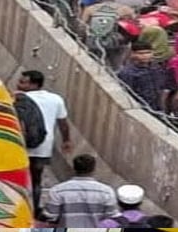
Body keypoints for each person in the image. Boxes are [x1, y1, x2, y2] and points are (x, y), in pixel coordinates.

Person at [15, 70, 69, 217]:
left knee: (17, 179)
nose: (18, 84)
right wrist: (66, 140)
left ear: (34, 84)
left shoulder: (18, 98)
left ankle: (18, 208)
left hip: (19, 144)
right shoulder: (56, 99)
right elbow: (63, 123)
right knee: (36, 178)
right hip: (43, 145)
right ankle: (35, 209)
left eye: (22, 82)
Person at [41, 154, 118, 227]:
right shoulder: (106, 191)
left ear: (74, 168)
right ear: (93, 169)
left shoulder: (58, 190)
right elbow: (111, 216)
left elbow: (50, 216)